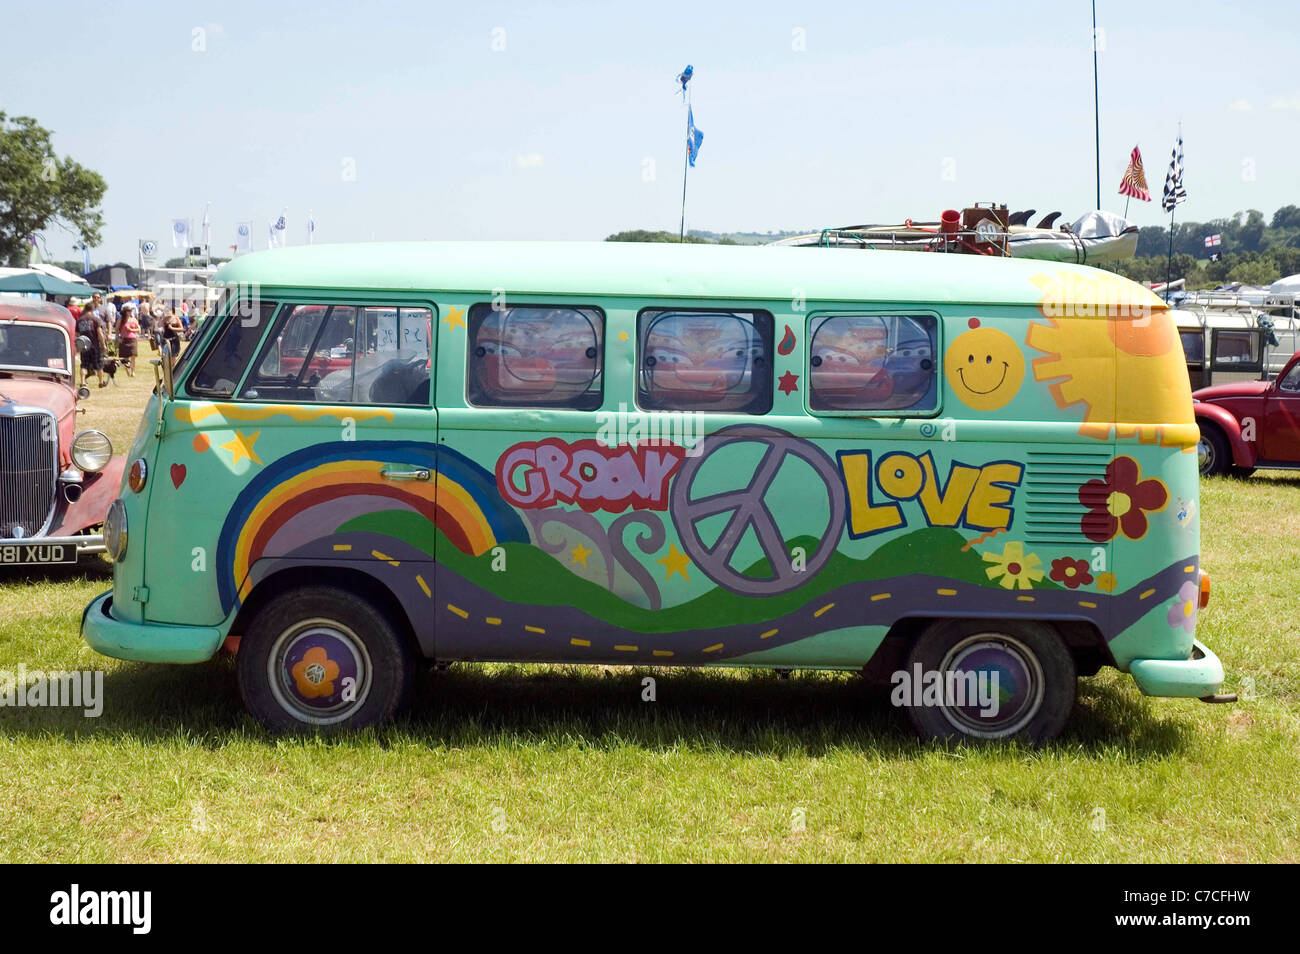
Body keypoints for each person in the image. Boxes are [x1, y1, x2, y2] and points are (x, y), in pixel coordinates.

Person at [76, 304, 108, 388]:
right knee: (99, 365)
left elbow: (77, 334)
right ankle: (101, 382)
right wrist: (103, 344)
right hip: (95, 345)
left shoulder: (79, 320)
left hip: (84, 346)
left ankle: (83, 381)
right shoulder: (95, 319)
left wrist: (78, 346)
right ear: (93, 310)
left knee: (84, 365)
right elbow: (99, 333)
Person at [118, 303, 140, 377]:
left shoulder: (133, 319)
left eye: (130, 311)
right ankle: (127, 369)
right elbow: (117, 330)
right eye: (128, 311)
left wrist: (131, 329)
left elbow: (138, 329)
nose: (130, 312)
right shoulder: (121, 320)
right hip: (124, 339)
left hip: (132, 339)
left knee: (133, 356)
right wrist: (118, 339)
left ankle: (133, 371)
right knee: (125, 357)